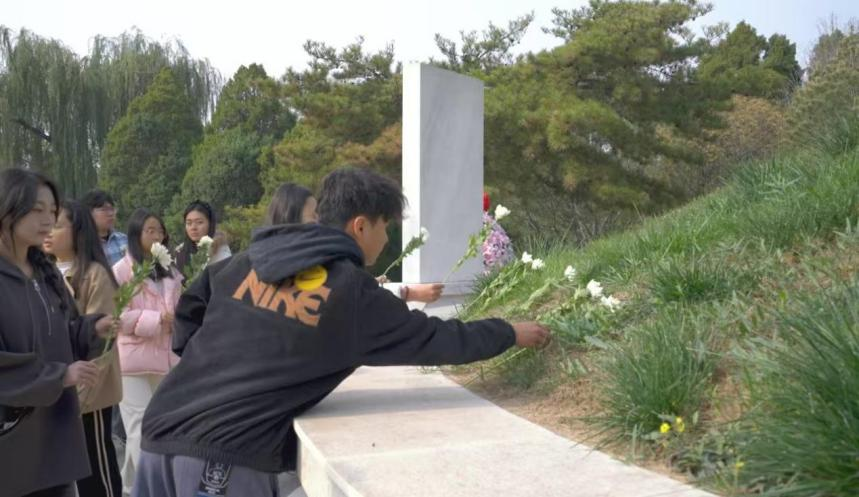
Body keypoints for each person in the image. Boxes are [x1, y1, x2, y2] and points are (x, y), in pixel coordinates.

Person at [132, 167, 549, 497]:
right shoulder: (352, 293)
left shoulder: (247, 261)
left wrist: (210, 365)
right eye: (386, 227)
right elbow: (436, 339)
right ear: (361, 226)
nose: (387, 239)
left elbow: (191, 306)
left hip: (159, 432)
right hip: (223, 463)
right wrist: (508, 332)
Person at [0, 169, 113, 497]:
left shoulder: (44, 272)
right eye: (37, 209)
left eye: (52, 210)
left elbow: (63, 334)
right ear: (7, 208)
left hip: (55, 437)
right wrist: (58, 376)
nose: (48, 219)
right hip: (12, 447)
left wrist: (93, 328)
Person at [44, 200, 123, 497]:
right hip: (56, 385)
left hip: (89, 392)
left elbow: (101, 342)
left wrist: (83, 394)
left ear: (78, 231)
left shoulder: (94, 274)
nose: (48, 231)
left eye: (56, 225)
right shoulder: (42, 273)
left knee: (96, 467)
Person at [266, 182, 443, 303]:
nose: (319, 223)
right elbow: (351, 300)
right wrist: (409, 293)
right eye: (313, 217)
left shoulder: (266, 266)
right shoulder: (305, 268)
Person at [113, 208, 184, 496]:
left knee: (159, 427)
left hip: (165, 359)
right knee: (139, 428)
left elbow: (179, 309)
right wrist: (156, 319)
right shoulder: (120, 271)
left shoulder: (170, 271)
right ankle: (152, 490)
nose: (156, 236)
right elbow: (116, 317)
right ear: (136, 234)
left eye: (160, 230)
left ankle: (130, 485)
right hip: (133, 363)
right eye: (149, 230)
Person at [174, 200, 231, 277]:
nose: (193, 228)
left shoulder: (220, 250)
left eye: (199, 222)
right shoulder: (180, 251)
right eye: (189, 223)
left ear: (210, 224)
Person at [81, 190, 128, 267]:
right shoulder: (83, 244)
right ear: (89, 213)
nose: (111, 214)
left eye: (112, 209)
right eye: (104, 209)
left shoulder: (124, 239)